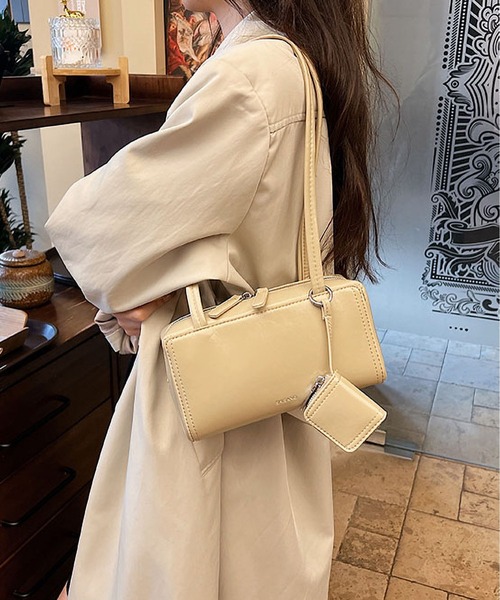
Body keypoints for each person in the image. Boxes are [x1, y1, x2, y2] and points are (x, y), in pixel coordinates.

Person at [48, 1, 385, 598]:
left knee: (188, 559)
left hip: (209, 402)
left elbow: (92, 224)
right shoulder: (293, 63)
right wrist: (169, 274)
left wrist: (145, 285)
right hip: (267, 385)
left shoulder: (250, 77)